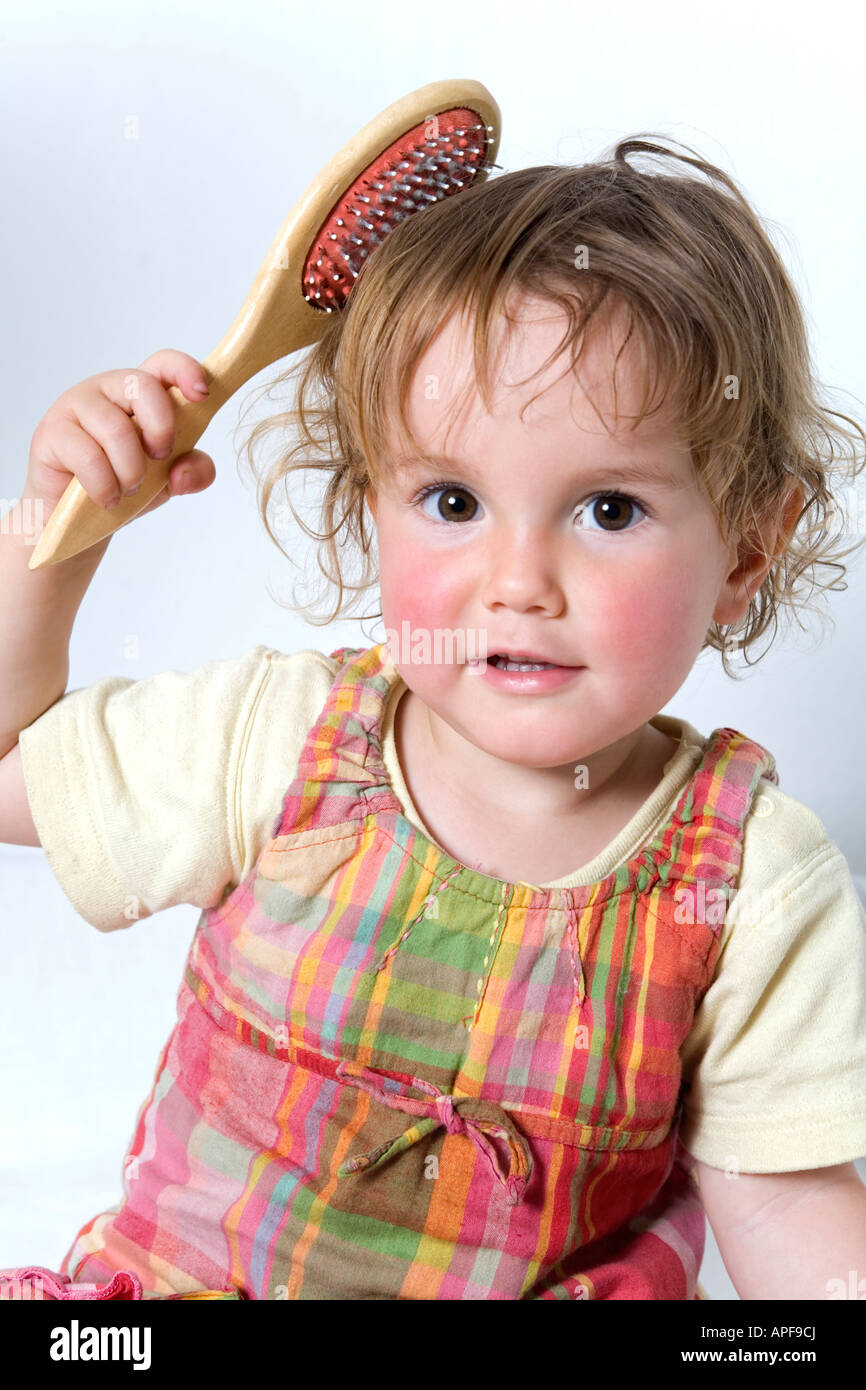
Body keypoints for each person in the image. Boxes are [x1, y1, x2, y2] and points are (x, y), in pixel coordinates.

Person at [1, 138, 865, 1302]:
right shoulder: (275, 741)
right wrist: (51, 548)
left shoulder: (752, 881)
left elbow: (793, 1225)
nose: (517, 580)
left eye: (607, 508)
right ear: (372, 511)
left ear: (745, 549)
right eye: (451, 500)